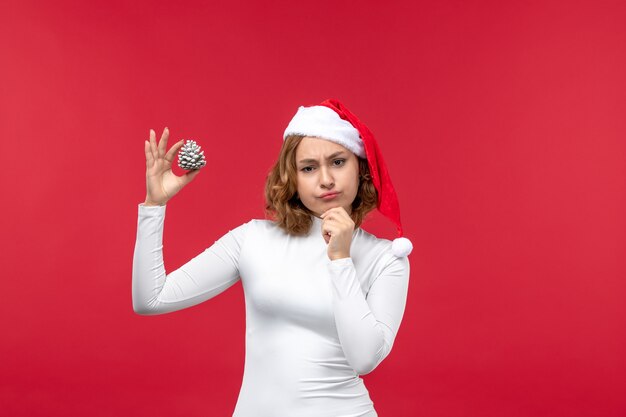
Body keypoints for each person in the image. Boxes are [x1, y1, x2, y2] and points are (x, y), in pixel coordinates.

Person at [132, 98, 412, 417]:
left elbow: (365, 358)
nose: (326, 179)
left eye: (337, 162)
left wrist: (340, 259)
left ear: (360, 167)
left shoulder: (387, 258)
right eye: (308, 167)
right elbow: (151, 299)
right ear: (292, 177)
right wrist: (154, 207)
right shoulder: (253, 239)